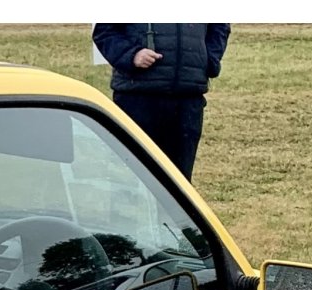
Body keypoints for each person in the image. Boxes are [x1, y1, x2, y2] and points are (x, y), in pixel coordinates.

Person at [92, 23, 231, 180]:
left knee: (178, 180)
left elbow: (220, 26)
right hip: (138, 100)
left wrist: (210, 59)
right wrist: (132, 55)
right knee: (132, 178)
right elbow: (105, 31)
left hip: (188, 101)